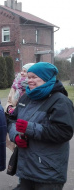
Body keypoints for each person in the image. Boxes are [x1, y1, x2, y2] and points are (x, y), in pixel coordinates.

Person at [8, 62, 74, 190]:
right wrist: (16, 136)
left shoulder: (61, 101)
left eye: (34, 77)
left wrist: (30, 128)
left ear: (46, 77)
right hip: (26, 167)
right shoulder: (26, 97)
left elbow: (64, 132)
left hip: (48, 172)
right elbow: (11, 120)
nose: (29, 81)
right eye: (29, 77)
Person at [5, 63, 34, 151]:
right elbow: (9, 101)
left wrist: (18, 110)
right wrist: (9, 108)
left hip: (26, 120)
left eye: (25, 71)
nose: (21, 73)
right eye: (22, 70)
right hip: (14, 120)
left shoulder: (33, 87)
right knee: (16, 147)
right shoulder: (15, 85)